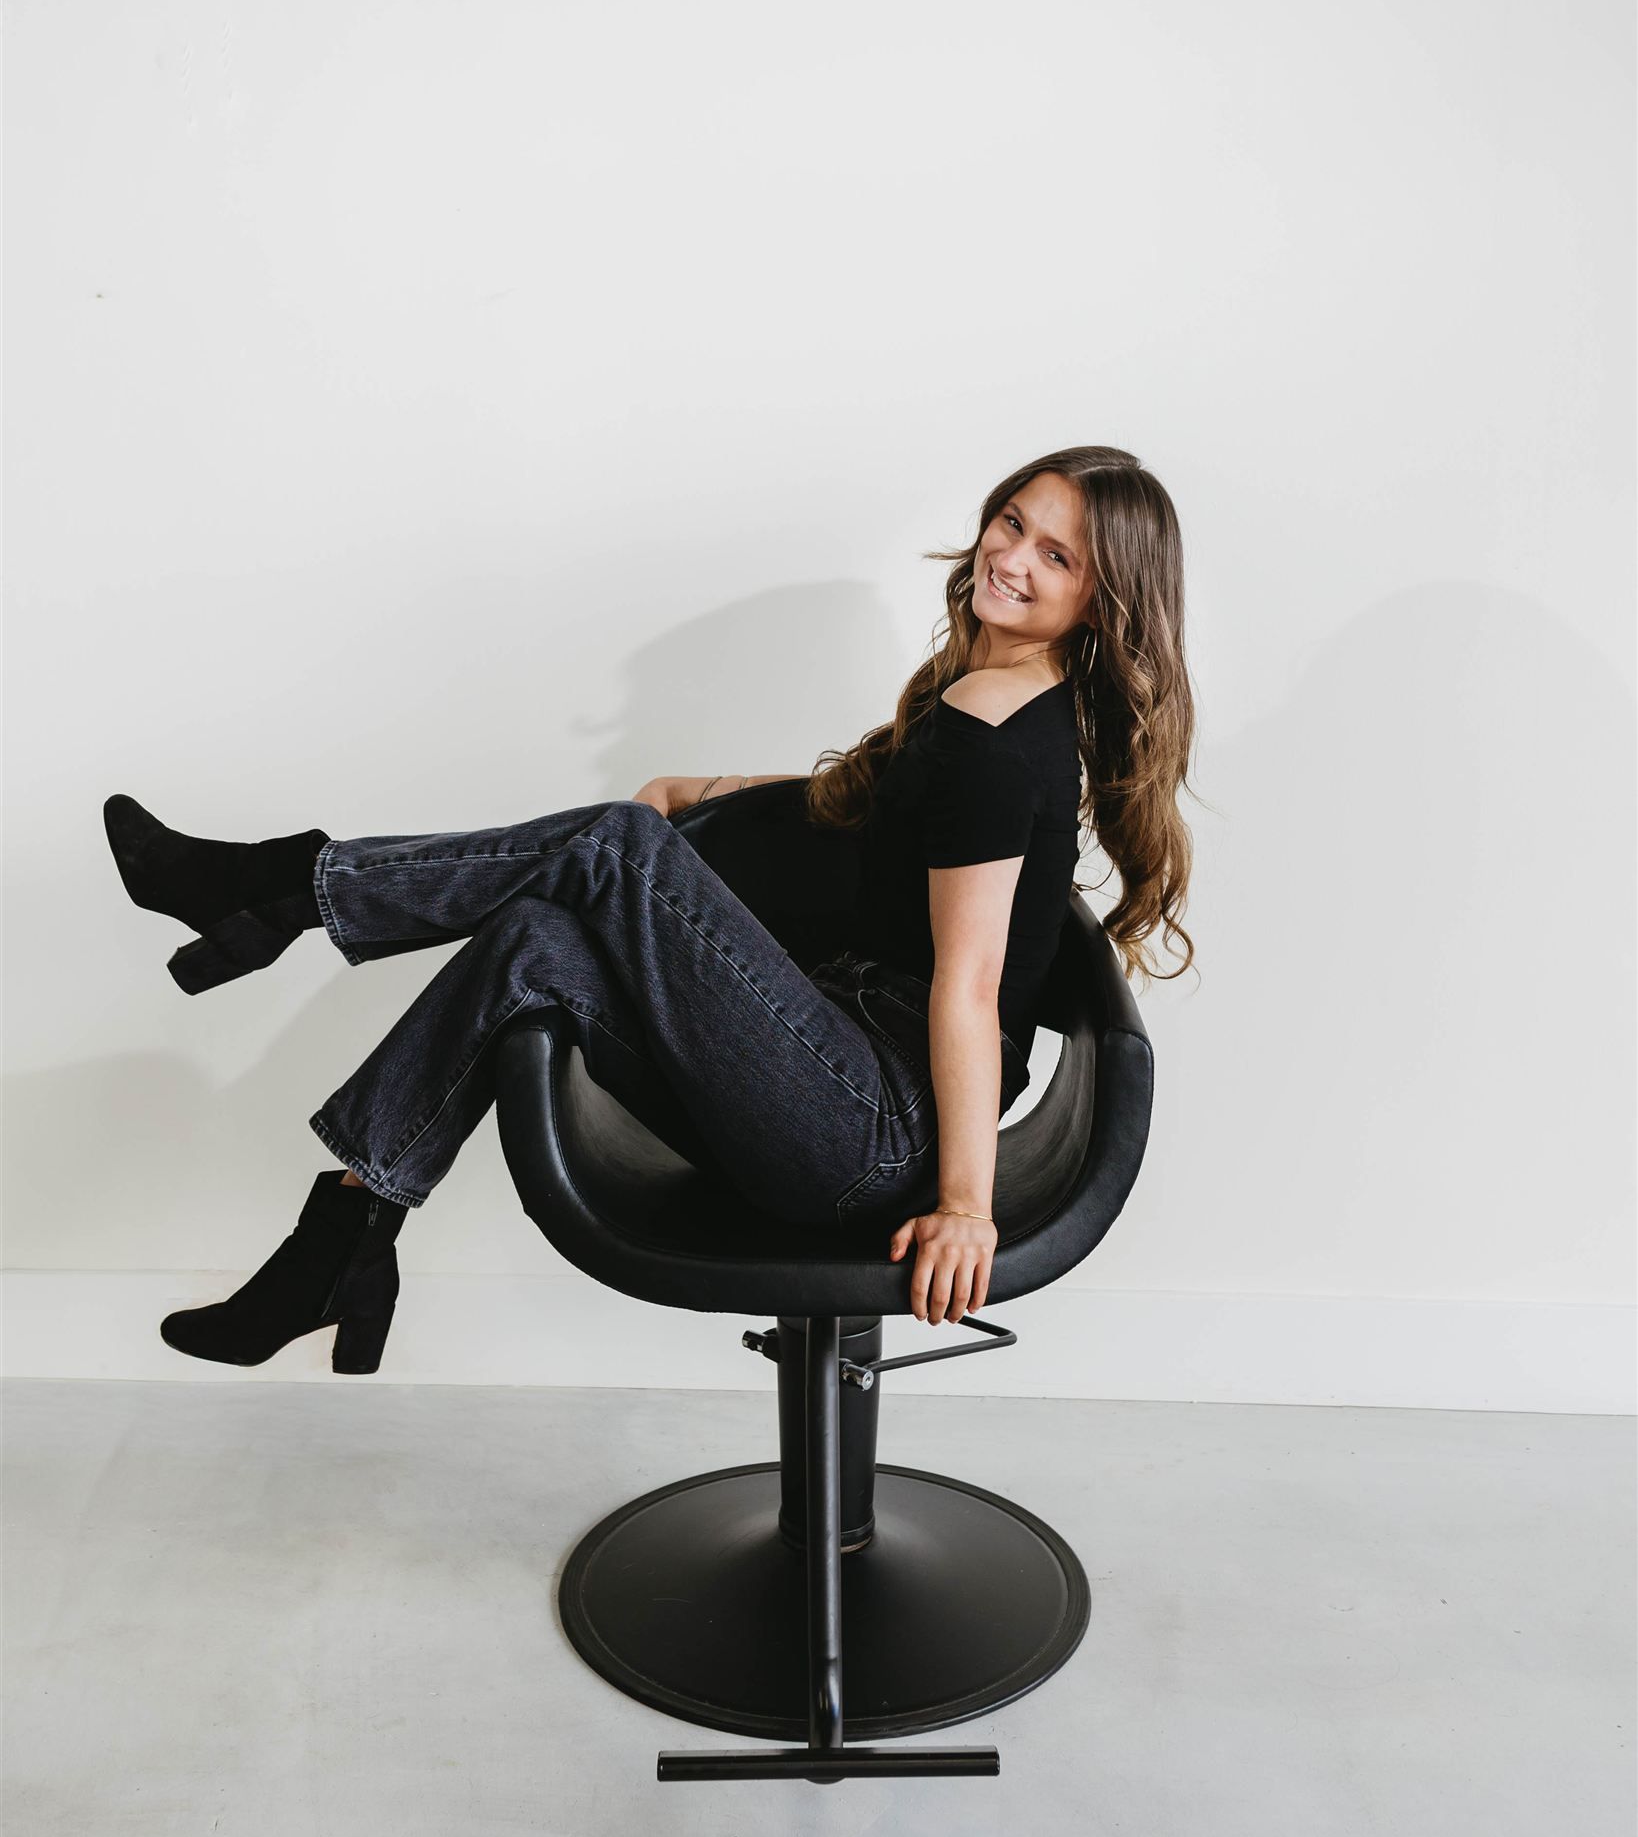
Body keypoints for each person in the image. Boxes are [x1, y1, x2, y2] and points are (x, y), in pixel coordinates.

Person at [104, 446, 1197, 1375]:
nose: (1011, 557)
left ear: (1101, 599)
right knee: (538, 938)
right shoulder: (984, 693)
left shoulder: (1006, 741)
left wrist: (966, 1200)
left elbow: (967, 987)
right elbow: (877, 816)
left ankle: (287, 886)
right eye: (1013, 521)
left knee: (617, 846)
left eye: (1055, 555)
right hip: (838, 1064)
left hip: (875, 1128)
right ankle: (346, 1234)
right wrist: (703, 789)